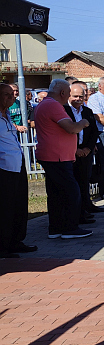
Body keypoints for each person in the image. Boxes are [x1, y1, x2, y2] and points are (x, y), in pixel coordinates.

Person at [34, 79, 92, 239]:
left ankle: (56, 228)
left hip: (51, 155)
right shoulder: (53, 105)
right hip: (57, 157)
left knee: (56, 194)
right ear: (62, 93)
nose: (68, 98)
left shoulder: (43, 105)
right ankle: (69, 228)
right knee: (71, 191)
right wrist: (83, 122)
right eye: (68, 94)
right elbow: (71, 128)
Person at [0, 83, 35, 257]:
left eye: (11, 95)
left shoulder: (7, 116)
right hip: (4, 169)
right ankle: (3, 245)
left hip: (17, 166)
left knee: (19, 205)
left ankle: (16, 241)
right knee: (5, 207)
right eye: (6, 95)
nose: (10, 98)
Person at [66, 83, 103, 221]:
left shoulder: (87, 111)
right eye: (75, 96)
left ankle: (86, 208)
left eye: (81, 96)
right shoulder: (64, 111)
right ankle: (78, 213)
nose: (78, 99)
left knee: (84, 180)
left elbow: (94, 131)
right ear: (69, 96)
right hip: (71, 152)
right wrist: (75, 149)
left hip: (86, 151)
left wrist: (88, 148)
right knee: (73, 184)